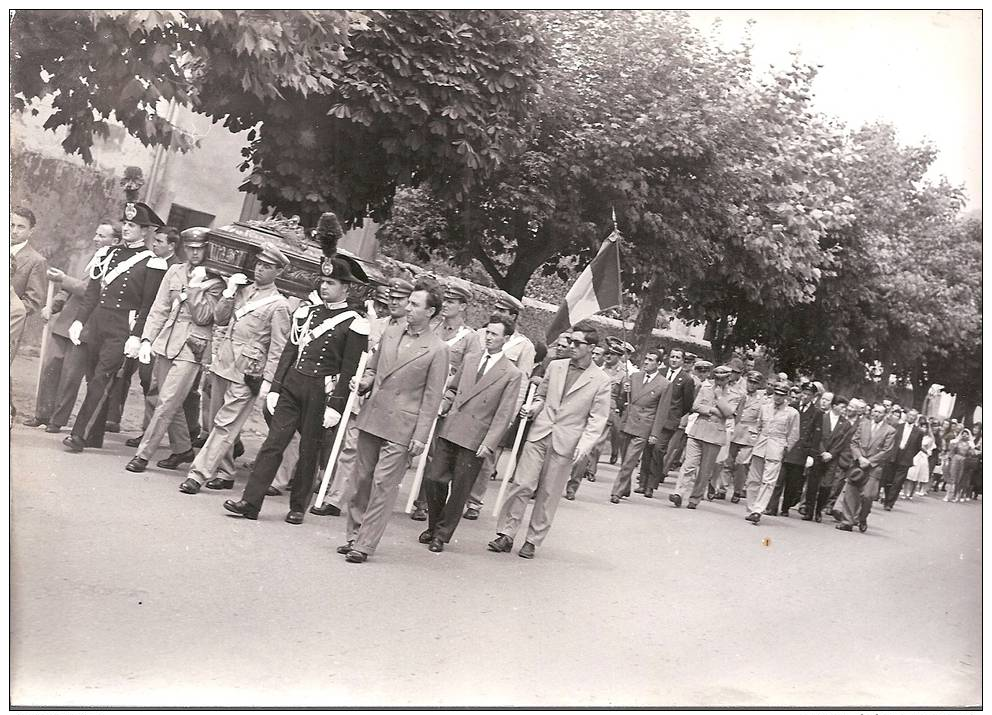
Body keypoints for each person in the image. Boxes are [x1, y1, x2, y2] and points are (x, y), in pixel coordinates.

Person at [223, 253, 370, 523]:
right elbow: (290, 351)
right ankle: (250, 502)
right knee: (273, 443)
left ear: (346, 288)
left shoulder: (354, 323)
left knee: (309, 451)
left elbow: (350, 369)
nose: (324, 287)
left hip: (322, 392)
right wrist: (276, 387)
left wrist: (336, 406)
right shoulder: (307, 312)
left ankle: (298, 506)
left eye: (331, 283)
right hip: (293, 385)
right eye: (323, 281)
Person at [334, 280, 448, 563]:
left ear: (431, 312)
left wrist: (421, 436)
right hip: (373, 415)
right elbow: (373, 368)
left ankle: (365, 543)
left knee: (384, 484)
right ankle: (353, 535)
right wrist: (364, 382)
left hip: (403, 427)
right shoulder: (391, 332)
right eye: (408, 302)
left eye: (414, 305)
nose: (407, 308)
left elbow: (432, 398)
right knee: (361, 479)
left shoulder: (437, 349)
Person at [487, 325, 611, 559]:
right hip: (540, 433)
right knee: (522, 484)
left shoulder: (601, 380)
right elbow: (541, 396)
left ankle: (533, 540)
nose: (571, 347)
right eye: (570, 342)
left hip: (566, 443)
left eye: (577, 343)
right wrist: (533, 408)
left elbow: (598, 418)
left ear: (592, 348)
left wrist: (584, 445)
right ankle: (507, 533)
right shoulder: (555, 366)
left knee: (548, 493)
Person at [179, 242, 292, 494]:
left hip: (248, 371)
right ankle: (227, 472)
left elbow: (279, 348)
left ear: (278, 272)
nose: (260, 269)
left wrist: (269, 382)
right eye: (259, 264)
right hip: (224, 363)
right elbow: (219, 318)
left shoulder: (279, 305)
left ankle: (198, 474)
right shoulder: (241, 289)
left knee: (225, 425)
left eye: (268, 266)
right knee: (217, 421)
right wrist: (229, 291)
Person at [61, 202, 168, 452]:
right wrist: (79, 320)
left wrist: (137, 335)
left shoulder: (153, 262)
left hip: (123, 326)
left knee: (102, 379)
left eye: (133, 225)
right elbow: (92, 293)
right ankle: (95, 435)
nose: (127, 228)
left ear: (145, 231)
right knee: (93, 377)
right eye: (126, 224)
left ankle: (79, 435)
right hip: (98, 321)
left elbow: (148, 304)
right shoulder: (107, 254)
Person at [124, 230, 225, 472]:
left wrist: (194, 286)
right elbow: (160, 307)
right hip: (167, 341)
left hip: (193, 346)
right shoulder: (174, 270)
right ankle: (182, 449)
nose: (194, 253)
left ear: (207, 250)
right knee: (162, 396)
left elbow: (203, 317)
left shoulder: (216, 281)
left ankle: (143, 455)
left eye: (199, 248)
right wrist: (147, 338)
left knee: (168, 401)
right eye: (190, 248)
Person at [421, 314, 523, 552]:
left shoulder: (511, 373)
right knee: (433, 478)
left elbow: (504, 414)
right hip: (452, 428)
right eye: (487, 332)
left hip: (476, 438)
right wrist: (443, 405)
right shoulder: (470, 358)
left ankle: (442, 535)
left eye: (495, 334)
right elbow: (453, 389)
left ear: (506, 339)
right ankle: (434, 524)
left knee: (460, 489)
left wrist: (489, 443)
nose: (489, 338)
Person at [25, 222, 120, 428]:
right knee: (50, 368)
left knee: (70, 376)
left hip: (85, 328)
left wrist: (63, 279)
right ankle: (42, 414)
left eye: (102, 236)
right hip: (64, 323)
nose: (96, 239)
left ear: (115, 241)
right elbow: (66, 290)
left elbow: (90, 290)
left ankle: (57, 420)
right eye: (96, 234)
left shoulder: (115, 267)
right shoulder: (85, 259)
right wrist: (53, 306)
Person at [409, 277, 478, 521]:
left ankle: (423, 501)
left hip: (445, 398)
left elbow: (466, 374)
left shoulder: (470, 338)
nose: (446, 305)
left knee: (433, 452)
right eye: (445, 300)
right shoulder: (432, 328)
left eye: (452, 301)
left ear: (463, 306)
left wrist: (448, 399)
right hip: (420, 391)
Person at [462, 291, 535, 520]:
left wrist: (511, 414)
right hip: (472, 403)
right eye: (496, 310)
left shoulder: (523, 346)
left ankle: (474, 501)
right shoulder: (482, 335)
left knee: (485, 458)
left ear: (513, 317)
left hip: (497, 408)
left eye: (503, 312)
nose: (497, 314)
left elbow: (521, 383)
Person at [108, 225, 184, 434]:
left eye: (160, 241)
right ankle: (113, 418)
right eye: (154, 240)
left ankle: (149, 431)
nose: (154, 245)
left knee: (149, 379)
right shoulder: (150, 261)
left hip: (159, 331)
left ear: (172, 245)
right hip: (139, 322)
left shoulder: (177, 269)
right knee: (123, 370)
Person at [669, 364, 741, 510]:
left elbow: (728, 414)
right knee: (688, 464)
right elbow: (695, 406)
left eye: (722, 379)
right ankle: (679, 493)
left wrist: (719, 397)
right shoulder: (706, 387)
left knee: (704, 471)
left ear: (728, 378)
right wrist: (713, 410)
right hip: (698, 430)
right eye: (717, 378)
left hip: (715, 435)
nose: (719, 381)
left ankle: (695, 498)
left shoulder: (735, 395)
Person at [602, 349, 670, 502]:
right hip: (628, 422)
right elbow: (622, 400)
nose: (646, 362)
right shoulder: (634, 377)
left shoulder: (664, 384)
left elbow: (662, 411)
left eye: (651, 360)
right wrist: (624, 390)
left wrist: (654, 434)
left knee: (630, 460)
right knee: (625, 457)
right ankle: (625, 487)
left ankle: (616, 491)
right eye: (646, 358)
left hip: (644, 427)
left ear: (659, 364)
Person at [639, 347, 695, 493]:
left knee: (658, 450)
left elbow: (687, 403)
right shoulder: (661, 373)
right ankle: (642, 482)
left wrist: (674, 415)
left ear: (683, 361)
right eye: (672, 357)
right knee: (647, 449)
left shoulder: (686, 379)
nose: (674, 360)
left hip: (669, 420)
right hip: (652, 417)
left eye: (677, 357)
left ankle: (651, 485)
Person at [743, 382, 800, 525]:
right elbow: (759, 426)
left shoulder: (792, 413)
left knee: (768, 481)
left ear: (786, 396)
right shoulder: (765, 408)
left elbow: (794, 434)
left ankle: (758, 510)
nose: (778, 398)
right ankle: (751, 508)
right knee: (753, 479)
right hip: (761, 445)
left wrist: (785, 448)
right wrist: (756, 441)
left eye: (781, 395)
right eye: (776, 394)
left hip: (777, 446)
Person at [834, 403, 896, 532]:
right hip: (858, 464)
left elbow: (887, 451)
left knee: (868, 496)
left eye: (879, 412)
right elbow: (854, 442)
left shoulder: (890, 430)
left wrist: (869, 461)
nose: (876, 414)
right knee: (851, 492)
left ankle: (862, 517)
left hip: (874, 467)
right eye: (874, 411)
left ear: (885, 415)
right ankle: (847, 521)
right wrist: (860, 457)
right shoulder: (863, 424)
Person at [768, 381, 822, 517]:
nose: (805, 396)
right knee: (778, 480)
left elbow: (816, 435)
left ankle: (785, 507)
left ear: (813, 396)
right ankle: (772, 507)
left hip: (801, 452)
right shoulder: (791, 407)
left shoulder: (816, 413)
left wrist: (811, 455)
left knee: (793, 483)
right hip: (787, 447)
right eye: (803, 393)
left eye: (808, 394)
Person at [714, 370, 766, 503]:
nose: (752, 385)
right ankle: (722, 489)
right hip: (734, 429)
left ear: (759, 385)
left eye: (755, 383)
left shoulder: (762, 401)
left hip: (749, 434)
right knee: (727, 461)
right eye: (750, 382)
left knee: (741, 464)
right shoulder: (737, 393)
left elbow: (761, 420)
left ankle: (737, 490)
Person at [801, 394, 854, 522]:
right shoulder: (821, 417)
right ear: (834, 406)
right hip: (818, 455)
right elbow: (815, 436)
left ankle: (819, 510)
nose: (844, 409)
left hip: (832, 458)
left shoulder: (845, 423)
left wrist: (831, 454)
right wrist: (822, 451)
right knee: (813, 484)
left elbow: (842, 442)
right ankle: (809, 510)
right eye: (842, 407)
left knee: (827, 486)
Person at [10, 205, 49, 322]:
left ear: (31, 231)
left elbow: (33, 301)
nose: (14, 231)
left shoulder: (36, 261)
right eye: (11, 225)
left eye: (20, 227)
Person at [881, 408, 924, 509]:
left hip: (905, 458)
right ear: (906, 416)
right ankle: (886, 497)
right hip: (893, 456)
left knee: (898, 482)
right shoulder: (897, 426)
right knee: (888, 479)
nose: (911, 417)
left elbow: (918, 447)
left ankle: (889, 503)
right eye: (909, 415)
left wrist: (909, 455)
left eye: (913, 416)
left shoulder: (919, 432)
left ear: (916, 418)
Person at [901, 417, 934, 500]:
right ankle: (905, 492)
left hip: (922, 457)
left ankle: (911, 494)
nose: (923, 428)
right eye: (922, 426)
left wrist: (923, 449)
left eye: (925, 427)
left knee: (917, 476)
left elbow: (929, 450)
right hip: (914, 455)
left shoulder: (929, 439)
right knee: (909, 475)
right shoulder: (916, 435)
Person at [943, 429, 975, 503]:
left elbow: (972, 454)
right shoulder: (956, 442)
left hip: (964, 461)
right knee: (952, 477)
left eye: (966, 434)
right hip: (955, 459)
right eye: (963, 433)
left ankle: (956, 495)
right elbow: (951, 451)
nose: (964, 435)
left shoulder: (970, 444)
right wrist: (949, 458)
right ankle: (948, 495)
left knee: (960, 478)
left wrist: (971, 448)